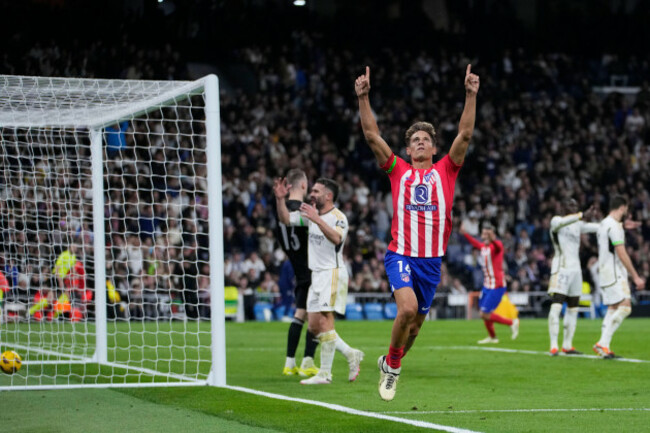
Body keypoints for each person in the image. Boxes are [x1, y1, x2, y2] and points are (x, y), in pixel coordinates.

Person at [355, 64, 479, 401]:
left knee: (415, 326)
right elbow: (371, 137)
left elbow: (465, 135)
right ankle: (393, 369)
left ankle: (390, 359)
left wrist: (471, 94)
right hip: (402, 254)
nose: (421, 143)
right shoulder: (398, 171)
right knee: (406, 310)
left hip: (431, 262)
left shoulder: (447, 170)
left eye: (426, 139)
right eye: (415, 140)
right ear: (408, 151)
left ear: (434, 149)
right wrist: (363, 98)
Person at [274, 176, 364, 385]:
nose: (311, 194)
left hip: (331, 273)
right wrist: (280, 200)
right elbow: (286, 220)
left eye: (316, 191)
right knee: (315, 326)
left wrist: (316, 219)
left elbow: (337, 238)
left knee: (325, 321)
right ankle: (351, 353)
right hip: (316, 275)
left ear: (328, 195)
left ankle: (325, 373)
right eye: (312, 190)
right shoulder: (309, 215)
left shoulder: (338, 217)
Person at [275, 168, 319, 377]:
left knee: (300, 313)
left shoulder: (280, 211)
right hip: (311, 267)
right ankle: (308, 362)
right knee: (317, 317)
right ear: (303, 185)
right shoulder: (304, 210)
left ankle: (289, 363)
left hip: (297, 267)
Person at [594, 196, 645, 358]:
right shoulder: (614, 227)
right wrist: (635, 276)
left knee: (613, 307)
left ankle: (604, 348)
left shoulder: (603, 224)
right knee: (626, 307)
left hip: (604, 270)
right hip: (614, 271)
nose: (627, 212)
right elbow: (621, 253)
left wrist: (623, 225)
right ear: (622, 207)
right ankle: (602, 343)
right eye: (626, 209)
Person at [547, 199, 598, 356]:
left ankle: (567, 345)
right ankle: (554, 345)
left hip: (576, 271)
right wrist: (582, 214)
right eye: (571, 206)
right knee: (556, 306)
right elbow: (564, 221)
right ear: (563, 207)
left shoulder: (577, 225)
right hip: (561, 269)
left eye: (576, 206)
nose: (574, 208)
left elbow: (597, 227)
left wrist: (618, 224)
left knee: (573, 307)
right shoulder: (556, 221)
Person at [459, 222, 519, 344]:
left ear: (492, 235)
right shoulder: (483, 247)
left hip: (497, 286)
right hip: (487, 285)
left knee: (484, 314)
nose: (485, 236)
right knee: (485, 312)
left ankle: (512, 323)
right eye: (484, 233)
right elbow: (475, 243)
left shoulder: (496, 246)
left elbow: (498, 246)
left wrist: (492, 239)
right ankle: (493, 337)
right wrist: (465, 233)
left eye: (488, 234)